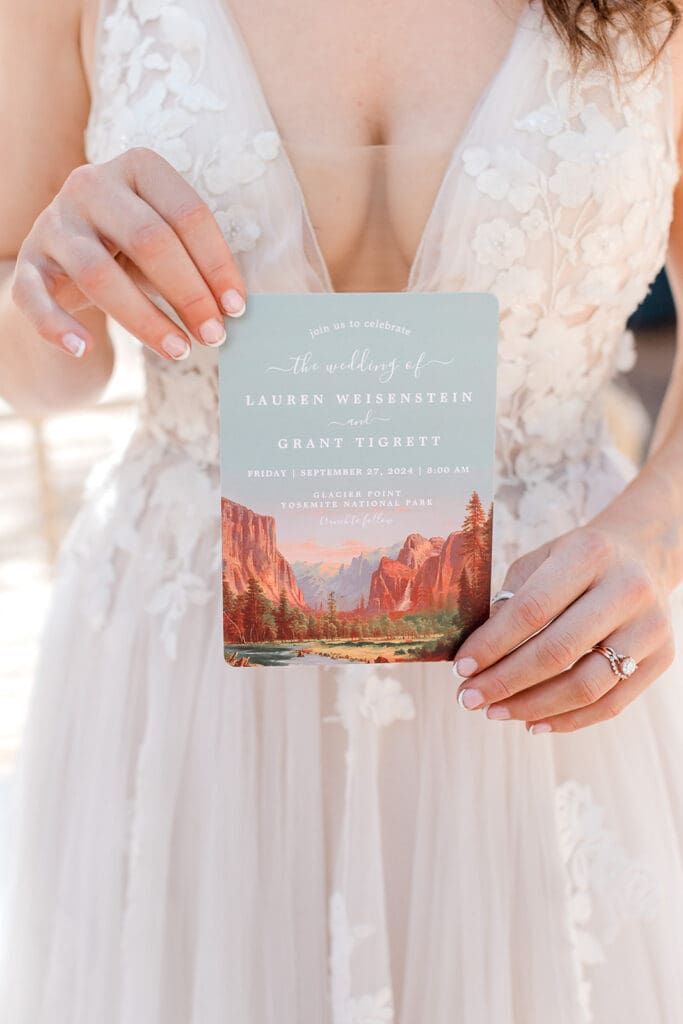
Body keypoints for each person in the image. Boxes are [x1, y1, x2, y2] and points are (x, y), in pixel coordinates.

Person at [1, 0, 683, 1019]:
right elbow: (36, 370)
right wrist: (47, 279)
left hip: (546, 640)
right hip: (189, 662)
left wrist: (654, 532)